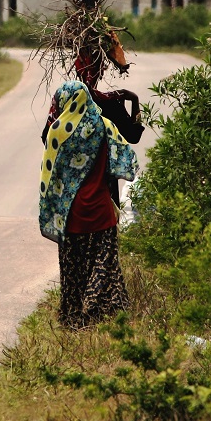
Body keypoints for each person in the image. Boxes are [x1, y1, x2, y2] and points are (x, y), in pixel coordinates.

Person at [38, 33, 141, 329]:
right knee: (104, 262)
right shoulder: (104, 125)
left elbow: (48, 173)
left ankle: (73, 316)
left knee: (72, 269)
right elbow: (128, 159)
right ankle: (98, 308)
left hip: (70, 217)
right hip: (101, 213)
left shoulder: (56, 132)